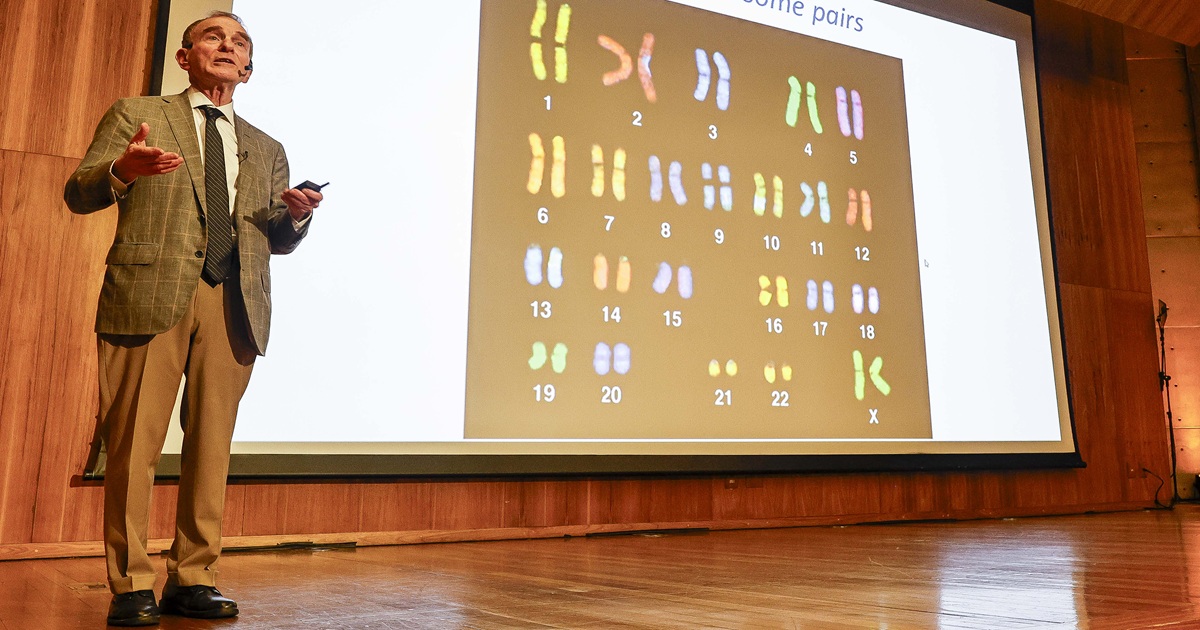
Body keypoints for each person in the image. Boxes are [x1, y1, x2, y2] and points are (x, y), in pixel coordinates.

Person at [64, 11, 322, 627]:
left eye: (240, 44)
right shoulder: (138, 113)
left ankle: (195, 576)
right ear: (185, 57)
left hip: (232, 302)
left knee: (212, 449)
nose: (227, 47)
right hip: (151, 294)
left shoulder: (266, 148)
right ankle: (130, 585)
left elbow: (275, 242)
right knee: (133, 445)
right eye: (213, 37)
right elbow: (80, 192)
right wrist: (125, 170)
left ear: (249, 69)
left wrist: (296, 216)